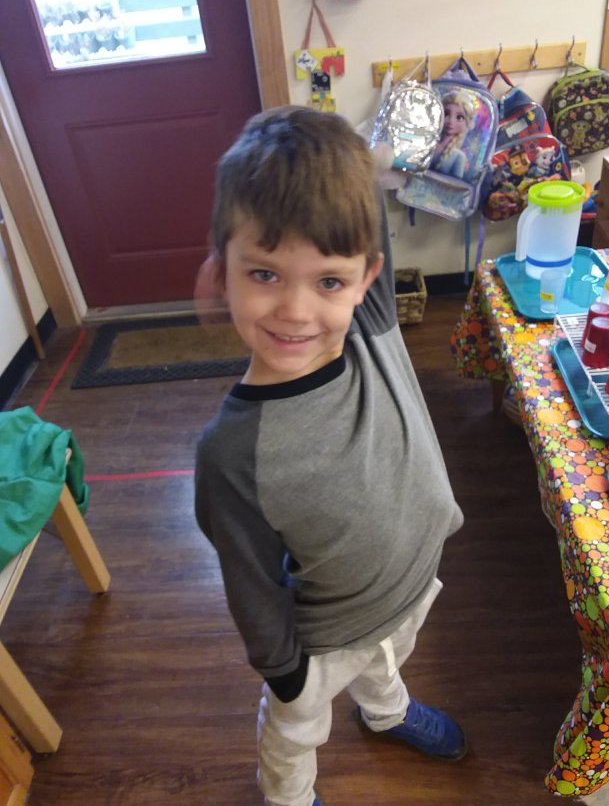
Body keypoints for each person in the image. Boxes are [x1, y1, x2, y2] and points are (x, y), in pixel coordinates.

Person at [194, 105, 466, 806]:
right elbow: (251, 584)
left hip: (413, 586)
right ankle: (289, 798)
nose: (296, 310)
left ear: (365, 279)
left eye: (327, 282)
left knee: (387, 661)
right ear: (222, 272)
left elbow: (360, 205)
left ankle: (387, 713)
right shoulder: (232, 453)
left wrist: (357, 157)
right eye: (263, 274)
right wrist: (287, 677)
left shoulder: (370, 325)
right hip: (324, 640)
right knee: (295, 735)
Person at [430, 89, 475, 178]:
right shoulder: (429, 144)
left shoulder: (459, 157)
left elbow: (455, 184)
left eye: (459, 117)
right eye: (446, 114)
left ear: (467, 123)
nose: (451, 121)